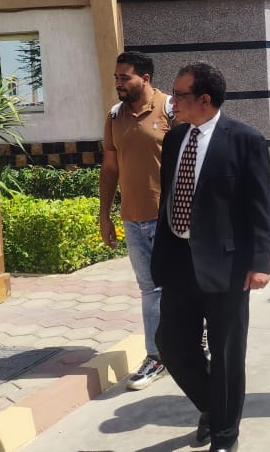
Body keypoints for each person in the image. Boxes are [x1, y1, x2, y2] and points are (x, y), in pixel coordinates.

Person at [151, 61, 270, 452]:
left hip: (228, 266)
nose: (172, 102)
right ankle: (211, 405)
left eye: (179, 95)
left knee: (226, 354)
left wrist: (260, 263)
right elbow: (169, 198)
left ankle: (225, 434)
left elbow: (259, 207)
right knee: (170, 344)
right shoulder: (175, 138)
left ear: (204, 99)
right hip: (178, 262)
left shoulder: (245, 140)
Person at [99, 51, 172, 390]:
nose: (118, 83)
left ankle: (191, 341)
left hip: (169, 219)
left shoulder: (170, 109)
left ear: (145, 78)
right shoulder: (115, 116)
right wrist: (104, 215)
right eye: (116, 77)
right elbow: (109, 168)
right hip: (133, 219)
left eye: (124, 77)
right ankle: (157, 356)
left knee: (180, 285)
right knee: (150, 289)